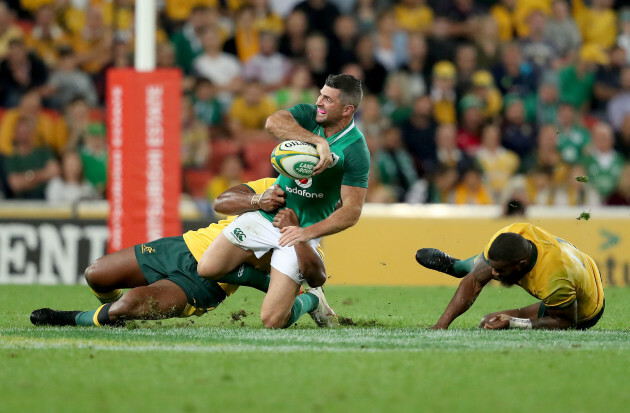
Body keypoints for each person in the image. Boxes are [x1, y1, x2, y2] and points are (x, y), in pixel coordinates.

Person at [31, 178, 336, 328]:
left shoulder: (312, 222)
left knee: (130, 303)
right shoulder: (276, 185)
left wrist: (295, 238)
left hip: (206, 284)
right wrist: (258, 200)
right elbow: (222, 201)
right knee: (96, 274)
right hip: (182, 247)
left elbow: (311, 272)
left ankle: (72, 318)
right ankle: (114, 317)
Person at [197, 74, 370, 329]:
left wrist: (304, 233)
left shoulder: (355, 150)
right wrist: (318, 141)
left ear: (347, 110)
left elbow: (352, 211)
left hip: (299, 230)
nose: (319, 101)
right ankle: (282, 287)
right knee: (207, 269)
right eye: (321, 94)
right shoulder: (310, 115)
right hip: (268, 214)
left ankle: (311, 300)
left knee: (272, 320)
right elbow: (273, 122)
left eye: (328, 99)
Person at [415, 223, 605, 330]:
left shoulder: (554, 279)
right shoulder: (512, 233)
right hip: (574, 263)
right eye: (494, 268)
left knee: (488, 322)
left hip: (585, 308)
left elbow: (564, 321)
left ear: (521, 265)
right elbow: (474, 282)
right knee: (475, 272)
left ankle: (459, 267)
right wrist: (441, 325)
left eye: (500, 270)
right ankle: (456, 266)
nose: (494, 274)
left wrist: (515, 323)